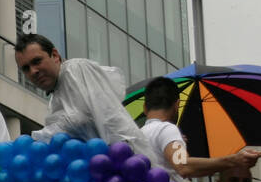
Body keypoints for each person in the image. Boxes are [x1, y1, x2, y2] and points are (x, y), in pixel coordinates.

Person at [13, 34, 159, 165]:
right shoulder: (56, 96)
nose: (33, 71)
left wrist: (36, 141)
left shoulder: (75, 69)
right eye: (26, 68)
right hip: (108, 170)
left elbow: (79, 118)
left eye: (37, 61)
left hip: (131, 160)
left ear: (55, 55)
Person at [141, 76, 261, 177]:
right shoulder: (167, 129)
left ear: (144, 107)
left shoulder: (137, 134)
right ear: (177, 105)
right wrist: (234, 160)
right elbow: (183, 166)